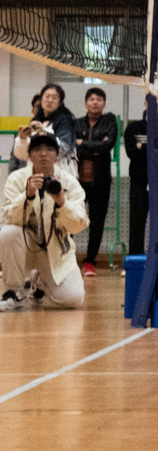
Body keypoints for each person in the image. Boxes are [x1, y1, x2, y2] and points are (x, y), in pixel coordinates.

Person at [0, 133, 88, 311]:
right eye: (37, 149)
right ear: (29, 156)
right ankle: (14, 292)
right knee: (8, 233)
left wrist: (62, 203)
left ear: (57, 155)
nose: (43, 153)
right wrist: (28, 195)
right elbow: (7, 218)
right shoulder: (16, 179)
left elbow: (79, 225)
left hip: (55, 250)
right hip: (25, 246)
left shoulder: (69, 182)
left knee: (73, 298)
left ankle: (39, 283)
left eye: (49, 149)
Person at [74, 87, 118, 277]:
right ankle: (68, 260)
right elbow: (72, 146)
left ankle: (90, 262)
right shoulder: (76, 123)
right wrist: (95, 148)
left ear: (104, 103)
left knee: (97, 223)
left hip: (100, 182)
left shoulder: (110, 123)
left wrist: (82, 143)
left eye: (99, 99)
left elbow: (108, 145)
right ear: (86, 103)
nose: (95, 102)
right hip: (77, 182)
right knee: (70, 219)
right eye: (92, 99)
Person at [123, 116, 149, 257]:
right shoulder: (133, 128)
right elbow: (131, 152)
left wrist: (142, 146)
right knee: (137, 221)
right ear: (146, 105)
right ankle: (135, 257)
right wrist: (152, 148)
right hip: (138, 181)